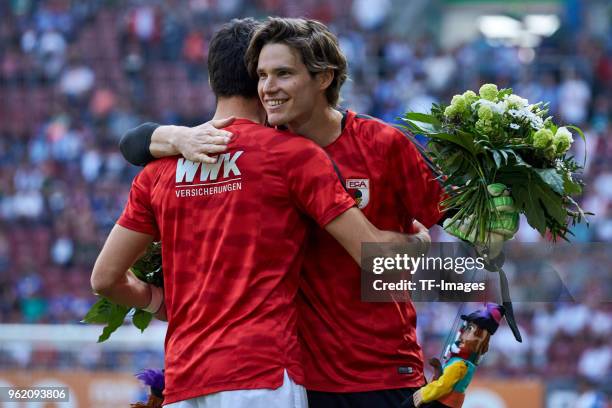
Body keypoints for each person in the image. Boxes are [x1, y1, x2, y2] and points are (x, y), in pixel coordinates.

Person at [92, 18, 428, 408]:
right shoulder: (293, 156)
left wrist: (163, 303)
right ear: (259, 78)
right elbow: (452, 256)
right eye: (269, 72)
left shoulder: (160, 170)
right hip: (271, 375)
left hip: (187, 379)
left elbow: (104, 278)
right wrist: (418, 245)